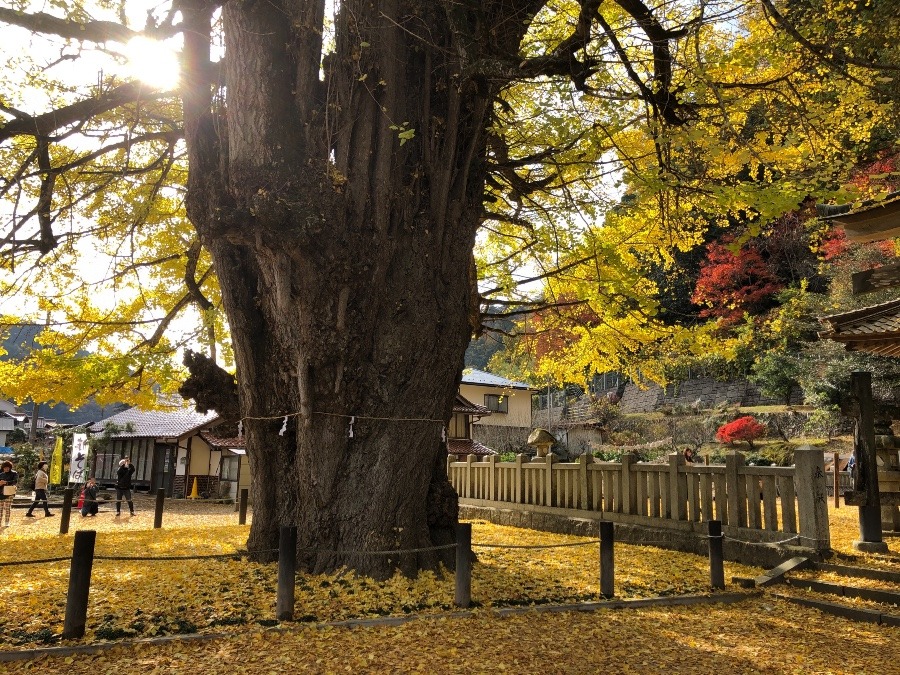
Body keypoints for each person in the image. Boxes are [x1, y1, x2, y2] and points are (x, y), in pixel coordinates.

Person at [0, 460, 17, 527]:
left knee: (7, 508)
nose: (6, 469)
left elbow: (15, 481)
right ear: (3, 468)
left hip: (9, 493)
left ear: (10, 467)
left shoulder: (14, 473)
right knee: (0, 509)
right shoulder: (1, 474)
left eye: (7, 467)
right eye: (5, 467)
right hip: (1, 493)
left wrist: (6, 482)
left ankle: (7, 522)